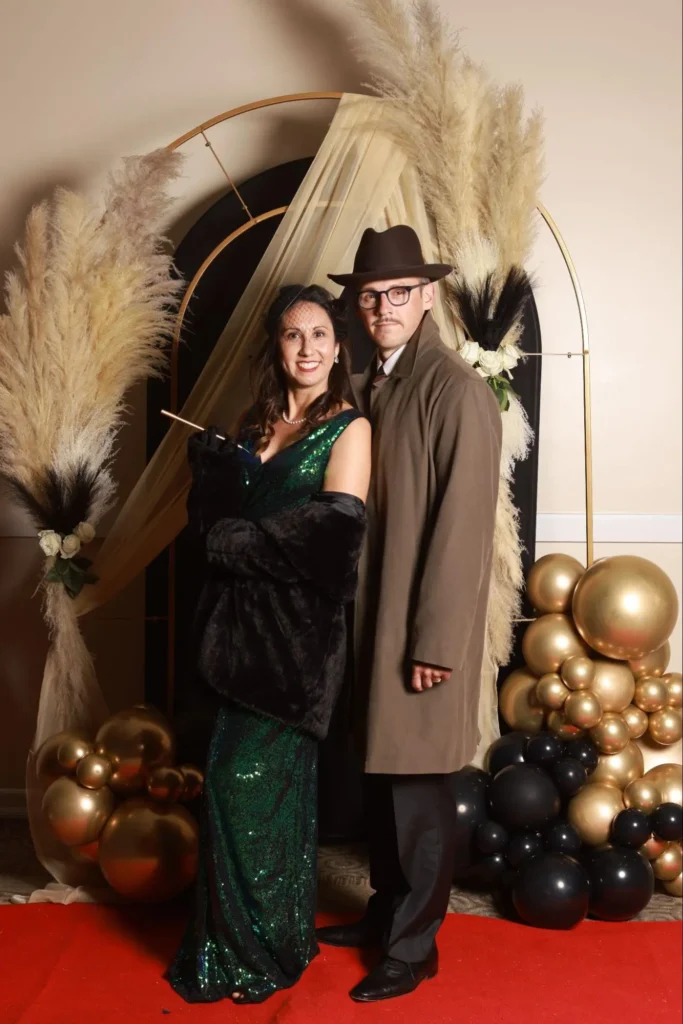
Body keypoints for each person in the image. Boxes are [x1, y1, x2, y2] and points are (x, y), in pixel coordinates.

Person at [167, 283, 371, 1005]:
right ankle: (240, 940)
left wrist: (233, 540)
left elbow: (334, 537)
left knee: (252, 785)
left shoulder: (349, 428)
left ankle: (264, 948)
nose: (307, 348)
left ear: (338, 348)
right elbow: (206, 529)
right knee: (229, 788)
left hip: (296, 645)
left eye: (319, 335)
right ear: (276, 346)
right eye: (293, 335)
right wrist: (211, 483)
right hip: (233, 637)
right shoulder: (252, 424)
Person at [317, 225, 502, 1003]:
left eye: (398, 292)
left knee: (419, 789)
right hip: (370, 617)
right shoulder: (370, 383)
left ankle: (413, 947)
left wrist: (435, 642)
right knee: (382, 777)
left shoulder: (454, 391)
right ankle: (386, 912)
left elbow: (463, 532)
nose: (383, 307)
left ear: (427, 295)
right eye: (370, 296)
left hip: (417, 627)